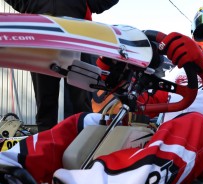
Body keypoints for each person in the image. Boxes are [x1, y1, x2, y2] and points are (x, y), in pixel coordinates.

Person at [0, 2, 203, 184]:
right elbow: (143, 103)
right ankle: (10, 171)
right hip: (167, 147)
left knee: (192, 124)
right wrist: (116, 75)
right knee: (90, 121)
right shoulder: (181, 79)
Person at [4, 0, 120, 132]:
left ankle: (84, 145)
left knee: (81, 103)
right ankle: (46, 147)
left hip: (78, 40)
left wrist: (86, 3)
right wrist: (28, 4)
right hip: (43, 42)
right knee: (45, 104)